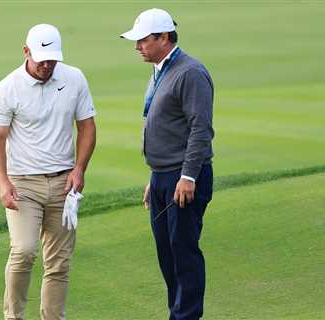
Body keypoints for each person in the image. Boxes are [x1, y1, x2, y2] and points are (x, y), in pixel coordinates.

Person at [0, 24, 96, 320]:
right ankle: (14, 317)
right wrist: (3, 182)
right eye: (41, 59)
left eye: (52, 59)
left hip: (64, 183)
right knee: (23, 251)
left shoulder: (74, 78)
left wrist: (80, 168)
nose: (47, 65)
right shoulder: (6, 88)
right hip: (24, 184)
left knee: (59, 262)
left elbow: (86, 126)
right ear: (26, 52)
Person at [120, 8, 214, 320]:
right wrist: (155, 176)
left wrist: (187, 176)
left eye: (143, 40)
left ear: (163, 37)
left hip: (184, 177)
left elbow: (201, 129)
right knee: (167, 252)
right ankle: (178, 312)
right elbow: (169, 128)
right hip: (162, 176)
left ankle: (186, 316)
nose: (137, 47)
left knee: (183, 249)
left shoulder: (190, 72)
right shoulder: (161, 69)